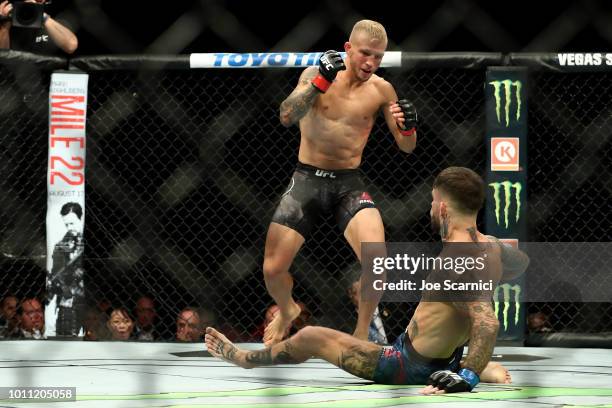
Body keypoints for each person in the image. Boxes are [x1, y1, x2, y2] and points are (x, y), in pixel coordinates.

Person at [206, 167, 527, 393]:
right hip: (442, 354)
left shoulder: (460, 257)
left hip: (409, 365)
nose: (429, 208)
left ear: (442, 208)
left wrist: (467, 377)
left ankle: (243, 358)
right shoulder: (490, 246)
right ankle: (466, 365)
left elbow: (486, 322)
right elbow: (521, 263)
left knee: (312, 336)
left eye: (432, 202)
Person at [263, 19, 418, 346]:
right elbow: (286, 116)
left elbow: (407, 147)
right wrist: (319, 81)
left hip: (348, 183)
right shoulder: (314, 74)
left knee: (378, 260)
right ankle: (289, 309)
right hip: (306, 180)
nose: (370, 63)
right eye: (365, 54)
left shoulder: (382, 89)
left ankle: (362, 335)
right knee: (273, 270)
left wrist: (408, 128)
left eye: (378, 57)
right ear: (348, 49)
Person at [49, 202, 85, 336]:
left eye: (72, 223)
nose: (70, 228)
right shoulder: (60, 247)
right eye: (66, 224)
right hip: (68, 303)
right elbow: (55, 273)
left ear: (81, 219)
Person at [0, 0, 77, 54]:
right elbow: (3, 59)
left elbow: (71, 46)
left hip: (48, 71)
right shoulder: (11, 13)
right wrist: (4, 26)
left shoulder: (55, 10)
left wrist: (42, 16)